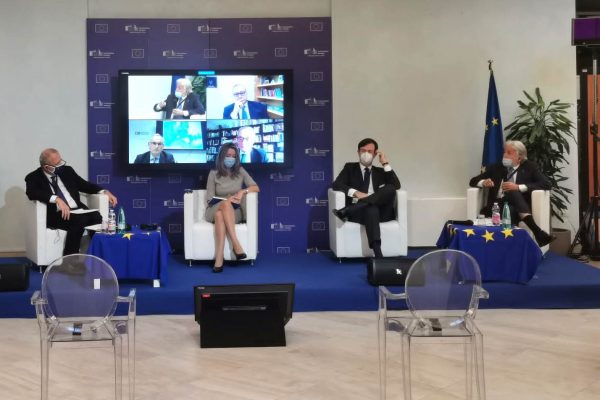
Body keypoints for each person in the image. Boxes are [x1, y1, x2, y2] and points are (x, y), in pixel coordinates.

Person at [25, 148, 118, 256]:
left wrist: (104, 191)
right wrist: (56, 199)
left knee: (96, 216)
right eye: (57, 164)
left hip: (78, 210)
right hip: (57, 214)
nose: (61, 165)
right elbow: (32, 193)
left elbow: (84, 185)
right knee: (79, 220)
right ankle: (70, 259)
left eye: (61, 161)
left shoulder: (67, 171)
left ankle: (98, 254)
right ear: (46, 167)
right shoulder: (33, 177)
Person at [469, 140, 554, 246]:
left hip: (519, 208)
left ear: (520, 157)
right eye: (504, 152)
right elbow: (472, 181)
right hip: (497, 206)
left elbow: (546, 184)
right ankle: (538, 232)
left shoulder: (530, 167)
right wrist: (483, 182)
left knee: (511, 204)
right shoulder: (496, 167)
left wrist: (518, 187)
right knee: (511, 198)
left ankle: (508, 247)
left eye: (509, 153)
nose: (505, 155)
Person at [332, 138, 401, 258]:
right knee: (371, 209)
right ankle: (378, 255)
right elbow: (336, 184)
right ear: (358, 152)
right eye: (363, 150)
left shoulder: (380, 171)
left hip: (381, 212)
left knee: (390, 188)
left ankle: (348, 210)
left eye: (370, 151)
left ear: (375, 154)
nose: (366, 154)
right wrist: (356, 193)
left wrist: (385, 163)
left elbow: (396, 185)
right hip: (360, 213)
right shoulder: (349, 168)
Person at [205, 143, 260, 272]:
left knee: (220, 215)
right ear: (222, 156)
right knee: (224, 205)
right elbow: (209, 199)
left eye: (234, 156)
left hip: (234, 211)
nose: (231, 158)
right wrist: (227, 200)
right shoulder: (213, 173)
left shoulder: (240, 171)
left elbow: (256, 187)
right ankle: (236, 244)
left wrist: (242, 191)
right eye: (228, 155)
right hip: (214, 208)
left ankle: (219, 257)